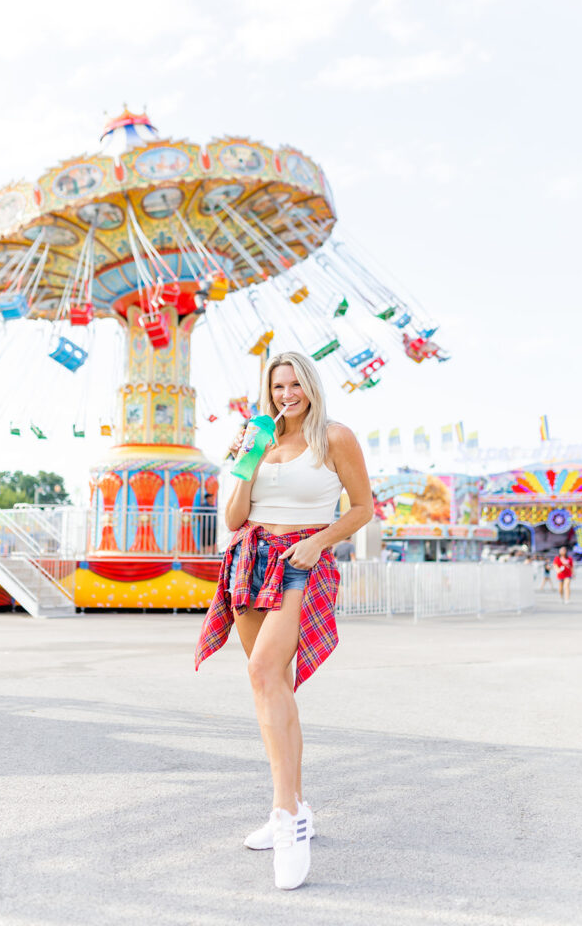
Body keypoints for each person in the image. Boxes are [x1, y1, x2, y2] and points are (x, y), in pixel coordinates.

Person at [195, 352, 373, 890]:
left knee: (264, 674)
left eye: (295, 384)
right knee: (271, 685)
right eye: (278, 386)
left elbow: (362, 508)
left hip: (299, 561)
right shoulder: (258, 438)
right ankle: (293, 807)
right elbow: (231, 518)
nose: (287, 394)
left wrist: (318, 544)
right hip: (250, 559)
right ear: (267, 390)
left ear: (311, 386)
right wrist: (245, 462)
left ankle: (287, 820)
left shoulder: (334, 437)